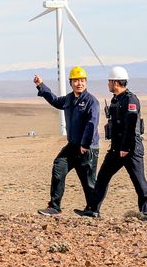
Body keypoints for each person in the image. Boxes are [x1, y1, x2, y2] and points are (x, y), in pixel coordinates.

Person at [78, 66, 147, 219]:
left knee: (139, 182)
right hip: (116, 148)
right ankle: (93, 210)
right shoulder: (116, 100)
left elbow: (131, 125)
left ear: (116, 82)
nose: (108, 84)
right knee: (103, 177)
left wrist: (125, 147)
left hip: (131, 148)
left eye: (109, 81)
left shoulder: (130, 100)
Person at [34, 66, 99, 216]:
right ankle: (54, 206)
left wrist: (85, 144)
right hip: (72, 146)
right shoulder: (69, 99)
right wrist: (41, 86)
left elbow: (92, 124)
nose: (79, 84)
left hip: (87, 148)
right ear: (71, 83)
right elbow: (56, 100)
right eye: (76, 81)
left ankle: (93, 210)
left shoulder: (91, 101)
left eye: (82, 80)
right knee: (58, 167)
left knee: (88, 182)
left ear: (86, 82)